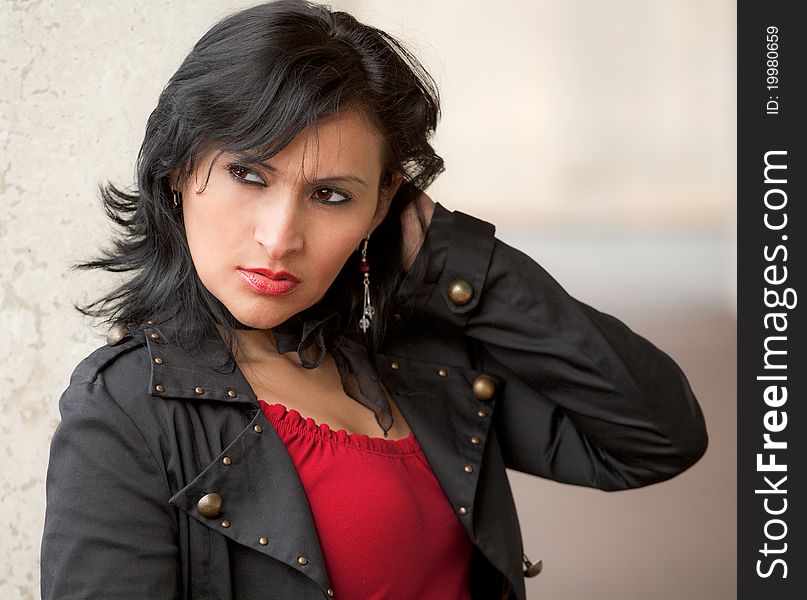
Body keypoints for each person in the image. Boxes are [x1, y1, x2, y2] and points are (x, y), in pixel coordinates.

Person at [40, 1, 709, 599]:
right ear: (181, 168)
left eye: (331, 195)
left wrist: (449, 252)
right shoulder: (126, 408)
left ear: (380, 205)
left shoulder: (419, 361)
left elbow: (655, 438)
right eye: (249, 175)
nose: (279, 239)